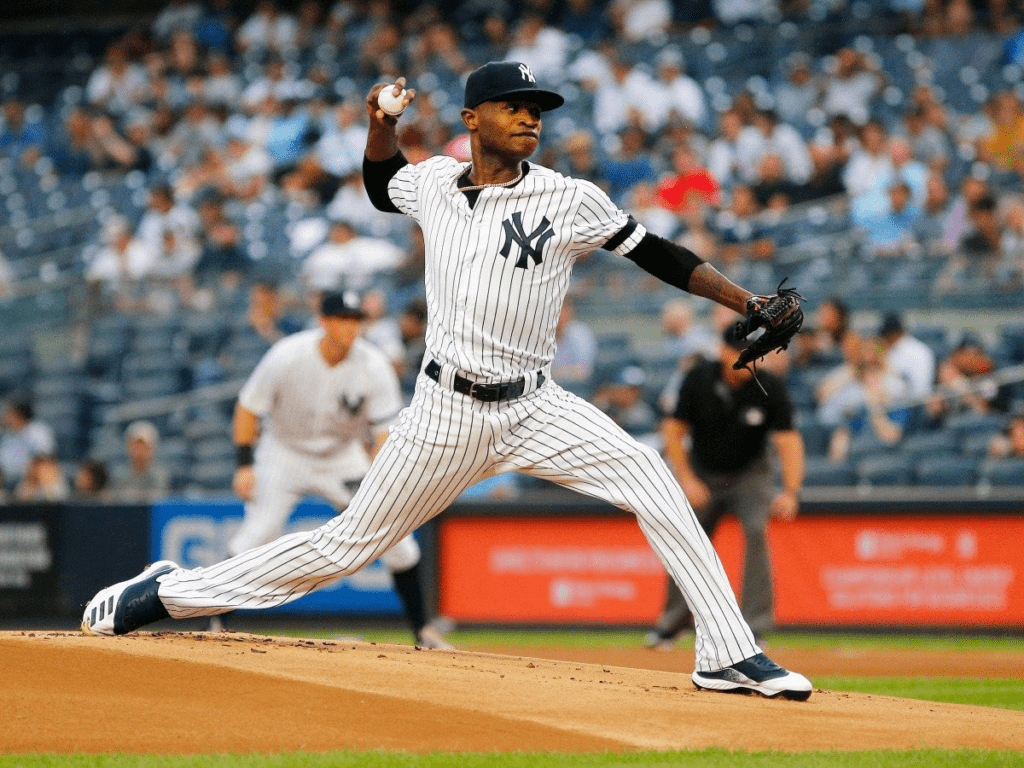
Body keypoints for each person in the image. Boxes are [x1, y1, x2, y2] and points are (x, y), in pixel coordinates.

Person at [81, 61, 812, 701]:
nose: (531, 117)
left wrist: (748, 302)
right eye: (515, 106)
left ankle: (724, 652)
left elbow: (661, 253)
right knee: (345, 547)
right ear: (472, 118)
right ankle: (168, 593)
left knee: (651, 479)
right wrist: (378, 123)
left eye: (539, 110)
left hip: (536, 403)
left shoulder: (567, 197)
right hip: (443, 412)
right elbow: (378, 184)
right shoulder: (432, 180)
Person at [217, 290, 451, 649]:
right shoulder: (287, 355)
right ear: (323, 321)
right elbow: (248, 408)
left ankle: (423, 630)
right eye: (342, 318)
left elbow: (384, 433)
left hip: (342, 457)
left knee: (396, 540)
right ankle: (217, 625)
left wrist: (381, 482)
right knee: (258, 534)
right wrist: (244, 466)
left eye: (356, 319)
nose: (350, 327)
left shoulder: (374, 365)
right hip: (283, 452)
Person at [646, 326, 804, 651]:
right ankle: (671, 624)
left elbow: (788, 439)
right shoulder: (698, 378)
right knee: (685, 540)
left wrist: (790, 491)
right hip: (702, 472)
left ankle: (754, 628)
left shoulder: (769, 385)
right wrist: (687, 479)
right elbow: (673, 429)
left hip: (750, 475)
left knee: (757, 531)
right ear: (723, 352)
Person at [107, 420, 172, 503]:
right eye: (135, 445)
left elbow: (157, 500)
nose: (139, 450)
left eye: (143, 446)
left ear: (151, 448)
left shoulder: (160, 475)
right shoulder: (118, 475)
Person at [0, 400, 56, 493]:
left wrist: (28, 473)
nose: (6, 417)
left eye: (9, 414)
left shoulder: (38, 430)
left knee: (44, 469)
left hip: (31, 478)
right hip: (8, 480)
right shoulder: (7, 437)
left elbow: (45, 457)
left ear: (19, 414)